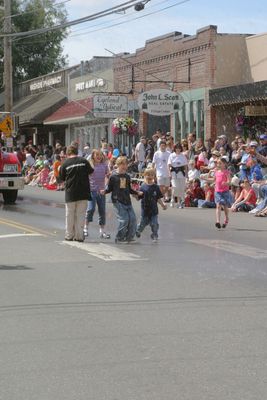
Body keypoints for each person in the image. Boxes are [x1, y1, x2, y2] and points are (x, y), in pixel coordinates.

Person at [101, 156, 142, 244]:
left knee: (133, 219)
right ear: (118, 165)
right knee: (124, 220)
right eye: (122, 164)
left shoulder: (127, 177)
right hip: (118, 200)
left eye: (125, 164)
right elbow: (109, 188)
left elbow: (129, 189)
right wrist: (104, 191)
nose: (124, 166)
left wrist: (137, 193)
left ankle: (129, 237)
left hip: (127, 200)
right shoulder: (113, 176)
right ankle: (119, 237)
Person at [59, 145, 94, 242]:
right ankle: (79, 236)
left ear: (67, 153)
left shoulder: (65, 164)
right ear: (77, 152)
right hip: (83, 192)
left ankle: (69, 235)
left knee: (70, 215)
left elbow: (61, 178)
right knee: (81, 215)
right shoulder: (83, 161)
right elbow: (91, 172)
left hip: (71, 193)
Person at [83, 149, 111, 239]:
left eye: (100, 155)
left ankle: (102, 231)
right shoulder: (90, 165)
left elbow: (108, 176)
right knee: (91, 209)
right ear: (93, 156)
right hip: (92, 191)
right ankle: (85, 228)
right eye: (97, 155)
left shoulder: (104, 165)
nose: (99, 156)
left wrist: (106, 185)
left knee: (102, 211)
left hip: (101, 191)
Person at [136, 168, 167, 241]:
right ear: (144, 175)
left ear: (154, 176)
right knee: (142, 224)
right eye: (148, 175)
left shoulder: (156, 187)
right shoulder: (142, 187)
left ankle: (154, 235)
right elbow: (138, 198)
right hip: (145, 210)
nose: (150, 176)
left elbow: (158, 198)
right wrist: (135, 194)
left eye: (152, 175)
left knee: (155, 224)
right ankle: (138, 231)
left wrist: (163, 205)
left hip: (154, 211)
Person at [167, 142, 188, 208]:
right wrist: (169, 173)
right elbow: (169, 165)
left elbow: (185, 166)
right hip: (174, 172)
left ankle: (179, 202)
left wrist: (186, 174)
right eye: (176, 148)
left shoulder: (183, 155)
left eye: (179, 148)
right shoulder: (171, 155)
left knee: (181, 188)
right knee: (175, 187)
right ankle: (172, 199)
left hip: (181, 173)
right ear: (175, 148)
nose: (178, 149)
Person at [213, 158, 231, 229]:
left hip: (225, 191)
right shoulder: (216, 172)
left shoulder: (226, 172)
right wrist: (205, 179)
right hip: (218, 191)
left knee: (225, 206)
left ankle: (226, 218)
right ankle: (218, 221)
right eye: (218, 163)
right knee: (218, 205)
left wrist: (226, 183)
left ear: (224, 164)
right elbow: (213, 180)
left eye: (220, 163)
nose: (218, 165)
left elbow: (229, 181)